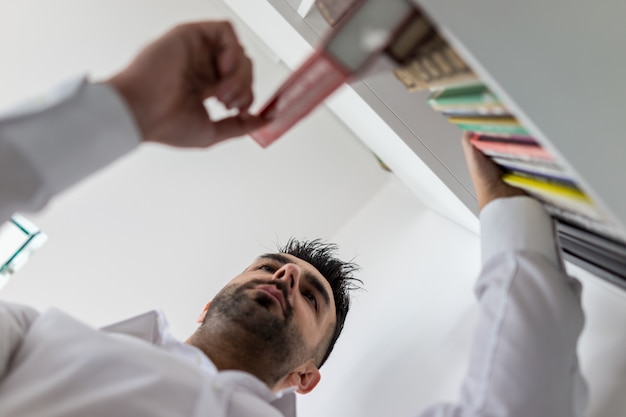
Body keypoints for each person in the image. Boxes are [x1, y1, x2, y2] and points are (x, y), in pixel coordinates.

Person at [0, 19, 588, 417]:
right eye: (271, 266)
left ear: (306, 377)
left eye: (312, 298)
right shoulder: (33, 340)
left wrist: (505, 208)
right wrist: (127, 105)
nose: (285, 278)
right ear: (208, 304)